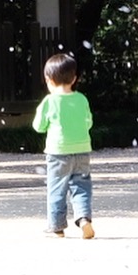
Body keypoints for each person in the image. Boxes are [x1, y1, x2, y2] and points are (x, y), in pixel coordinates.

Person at [33, 52, 95, 239]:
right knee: (81, 186)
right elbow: (88, 123)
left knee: (56, 188)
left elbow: (38, 126)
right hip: (82, 150)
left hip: (58, 152)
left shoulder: (49, 101)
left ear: (48, 79)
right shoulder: (81, 99)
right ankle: (84, 219)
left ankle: (57, 226)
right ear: (74, 78)